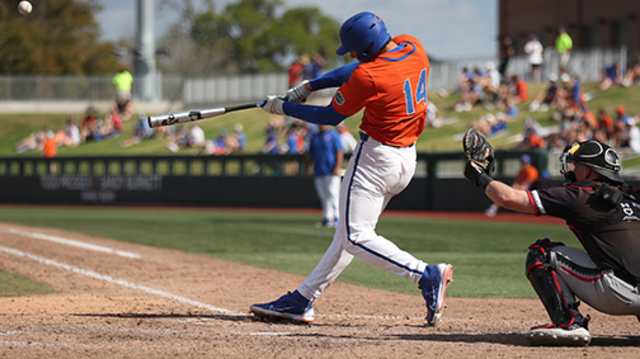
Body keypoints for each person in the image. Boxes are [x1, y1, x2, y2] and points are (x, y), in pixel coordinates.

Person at [253, 11, 453, 326]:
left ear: (367, 48)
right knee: (347, 234)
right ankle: (302, 299)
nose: (353, 55)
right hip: (405, 160)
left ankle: (425, 274)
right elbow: (356, 68)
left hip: (375, 160)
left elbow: (331, 116)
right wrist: (310, 85)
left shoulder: (370, 76)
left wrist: (284, 108)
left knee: (355, 236)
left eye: (356, 49)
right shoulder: (412, 45)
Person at [465, 138, 640, 346]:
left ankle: (570, 323)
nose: (570, 170)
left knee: (542, 251)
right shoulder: (633, 198)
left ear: (587, 171)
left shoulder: (580, 194)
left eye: (575, 165)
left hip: (618, 293)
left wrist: (478, 174)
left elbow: (508, 197)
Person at [304, 125, 344, 227]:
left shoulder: (334, 135)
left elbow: (339, 151)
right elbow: (310, 154)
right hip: (319, 170)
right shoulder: (314, 137)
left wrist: (337, 167)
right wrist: (306, 168)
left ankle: (338, 217)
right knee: (323, 196)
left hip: (331, 170)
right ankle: (327, 217)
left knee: (333, 194)